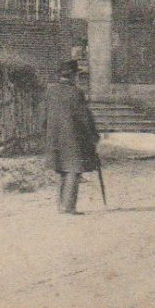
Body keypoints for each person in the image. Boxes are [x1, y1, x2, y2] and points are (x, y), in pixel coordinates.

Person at [44, 58, 101, 214]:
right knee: (74, 171)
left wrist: (46, 134)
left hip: (55, 137)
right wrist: (93, 136)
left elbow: (44, 115)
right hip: (73, 137)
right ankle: (68, 207)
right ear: (73, 76)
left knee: (62, 170)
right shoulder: (76, 93)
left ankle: (61, 205)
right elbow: (85, 117)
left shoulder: (50, 91)